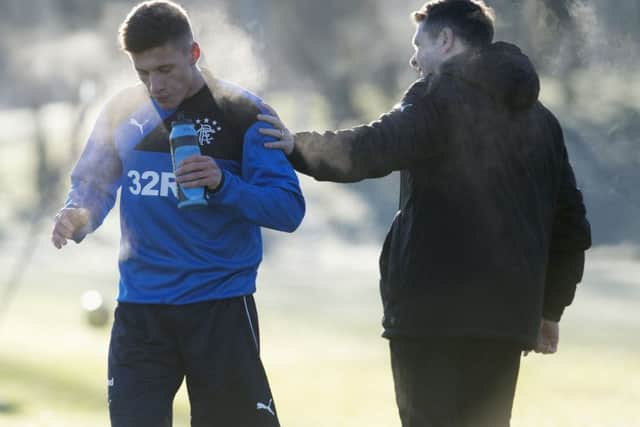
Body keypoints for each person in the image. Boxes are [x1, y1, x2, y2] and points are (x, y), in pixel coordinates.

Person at [258, 1, 591, 426]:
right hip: (505, 325)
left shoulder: (439, 97)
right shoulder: (541, 120)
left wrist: (294, 146)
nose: (414, 58)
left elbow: (370, 149)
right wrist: (550, 310)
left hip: (433, 318)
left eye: (420, 44)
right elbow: (572, 225)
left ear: (446, 40)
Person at [51, 1, 304, 426]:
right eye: (142, 72)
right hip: (141, 312)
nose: (155, 84)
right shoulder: (120, 112)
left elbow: (288, 209)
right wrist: (78, 215)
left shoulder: (244, 114)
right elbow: (92, 187)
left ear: (194, 53)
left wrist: (224, 185)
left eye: (165, 69)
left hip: (219, 309)